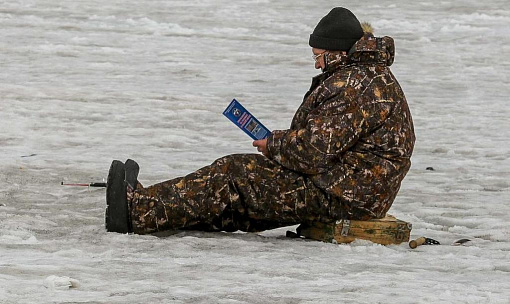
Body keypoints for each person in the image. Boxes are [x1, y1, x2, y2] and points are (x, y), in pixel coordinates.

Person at [105, 7, 415, 235]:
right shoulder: (366, 76)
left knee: (234, 173)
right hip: (354, 189)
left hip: (344, 194)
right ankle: (153, 208)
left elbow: (314, 151)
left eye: (318, 55)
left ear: (337, 52)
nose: (316, 62)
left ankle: (137, 211)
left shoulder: (353, 87)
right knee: (239, 204)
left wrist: (274, 143)